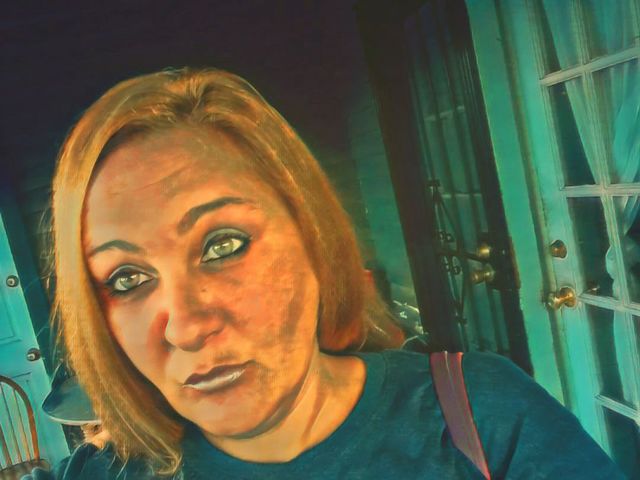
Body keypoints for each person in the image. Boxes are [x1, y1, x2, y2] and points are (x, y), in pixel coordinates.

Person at [25, 68, 624, 479]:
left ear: (314, 241)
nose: (184, 326)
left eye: (223, 245)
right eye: (127, 280)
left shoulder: (481, 415)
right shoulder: (104, 472)